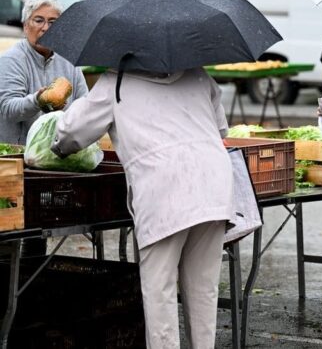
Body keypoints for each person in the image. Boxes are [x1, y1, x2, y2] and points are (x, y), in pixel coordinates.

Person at [51, 67, 233, 348]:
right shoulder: (196, 72)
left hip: (163, 191)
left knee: (160, 292)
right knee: (203, 290)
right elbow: (221, 128)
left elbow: (73, 132)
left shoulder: (116, 79)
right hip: (213, 184)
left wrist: (56, 146)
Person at [0, 0, 87, 257]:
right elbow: (7, 108)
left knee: (39, 229)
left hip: (52, 162)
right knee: (10, 230)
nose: (45, 27)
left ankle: (29, 285)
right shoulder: (12, 59)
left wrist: (67, 112)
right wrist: (39, 99)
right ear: (26, 25)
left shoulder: (69, 61)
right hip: (15, 160)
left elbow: (85, 104)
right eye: (39, 20)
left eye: (53, 21)